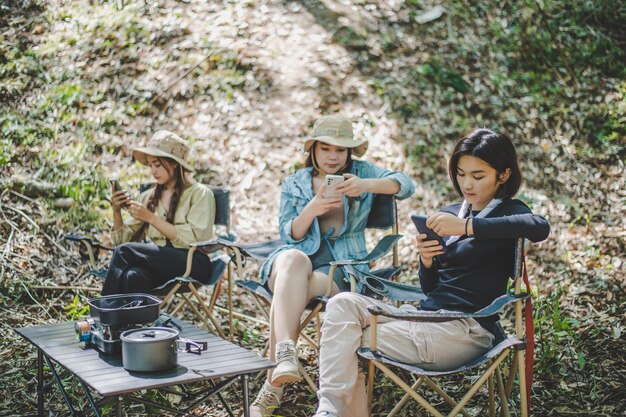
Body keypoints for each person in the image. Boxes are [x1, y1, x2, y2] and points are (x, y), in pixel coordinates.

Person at [311, 128, 551, 417]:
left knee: (342, 339)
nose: (467, 184)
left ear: (504, 175)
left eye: (478, 176)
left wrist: (465, 228)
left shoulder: (509, 212)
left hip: (465, 331)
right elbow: (431, 289)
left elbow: (539, 227)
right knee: (342, 304)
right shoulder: (452, 212)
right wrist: (427, 261)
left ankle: (330, 412)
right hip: (424, 317)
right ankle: (329, 410)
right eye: (461, 174)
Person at [250, 115, 415, 417]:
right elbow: (290, 234)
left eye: (341, 150)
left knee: (290, 292)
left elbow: (405, 185)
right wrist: (312, 208)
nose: (333, 156)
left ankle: (275, 379)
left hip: (342, 267)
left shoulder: (361, 173)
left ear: (350, 152)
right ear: (313, 149)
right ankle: (286, 354)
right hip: (294, 262)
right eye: (325, 148)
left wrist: (365, 185)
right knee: (292, 259)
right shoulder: (295, 183)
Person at [101, 130, 215, 295]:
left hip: (192, 263)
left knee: (126, 252)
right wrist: (117, 211)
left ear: (174, 163)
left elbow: (194, 239)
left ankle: (102, 311)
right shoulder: (148, 196)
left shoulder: (199, 194)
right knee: (133, 276)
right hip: (159, 265)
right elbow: (121, 242)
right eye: (151, 166)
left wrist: (151, 218)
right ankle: (133, 320)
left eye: (158, 165)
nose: (153, 171)